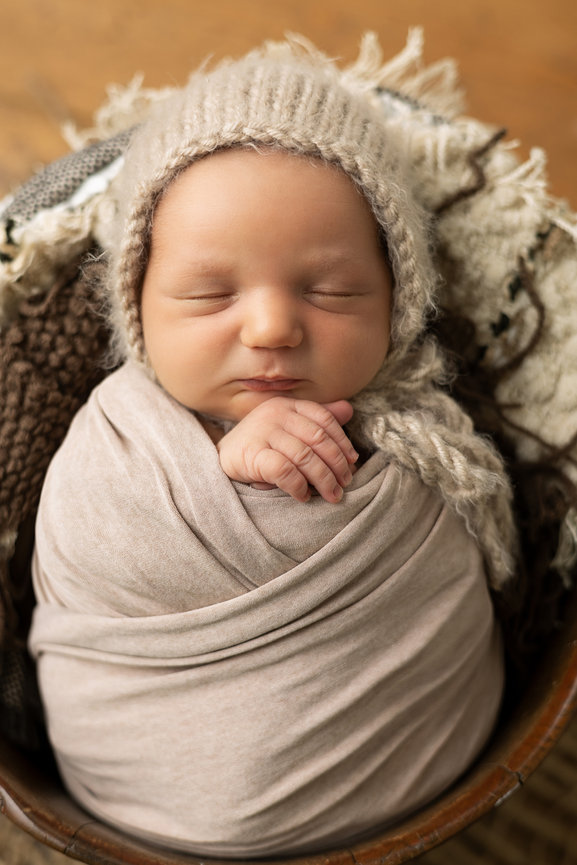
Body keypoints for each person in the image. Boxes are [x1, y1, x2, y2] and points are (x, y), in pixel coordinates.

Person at [29, 36, 516, 858]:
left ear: (398, 300)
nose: (270, 327)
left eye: (330, 290)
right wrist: (226, 472)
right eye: (209, 293)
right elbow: (90, 556)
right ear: (137, 307)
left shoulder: (431, 443)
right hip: (147, 788)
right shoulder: (115, 436)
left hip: (412, 769)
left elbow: (467, 577)